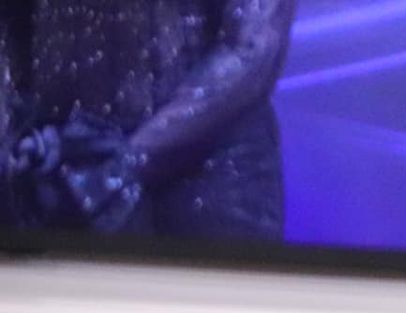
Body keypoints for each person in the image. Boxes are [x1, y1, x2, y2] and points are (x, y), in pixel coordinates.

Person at [1, 0, 294, 237]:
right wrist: (15, 132)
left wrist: (128, 160)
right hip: (64, 169)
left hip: (211, 175)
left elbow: (253, 49)